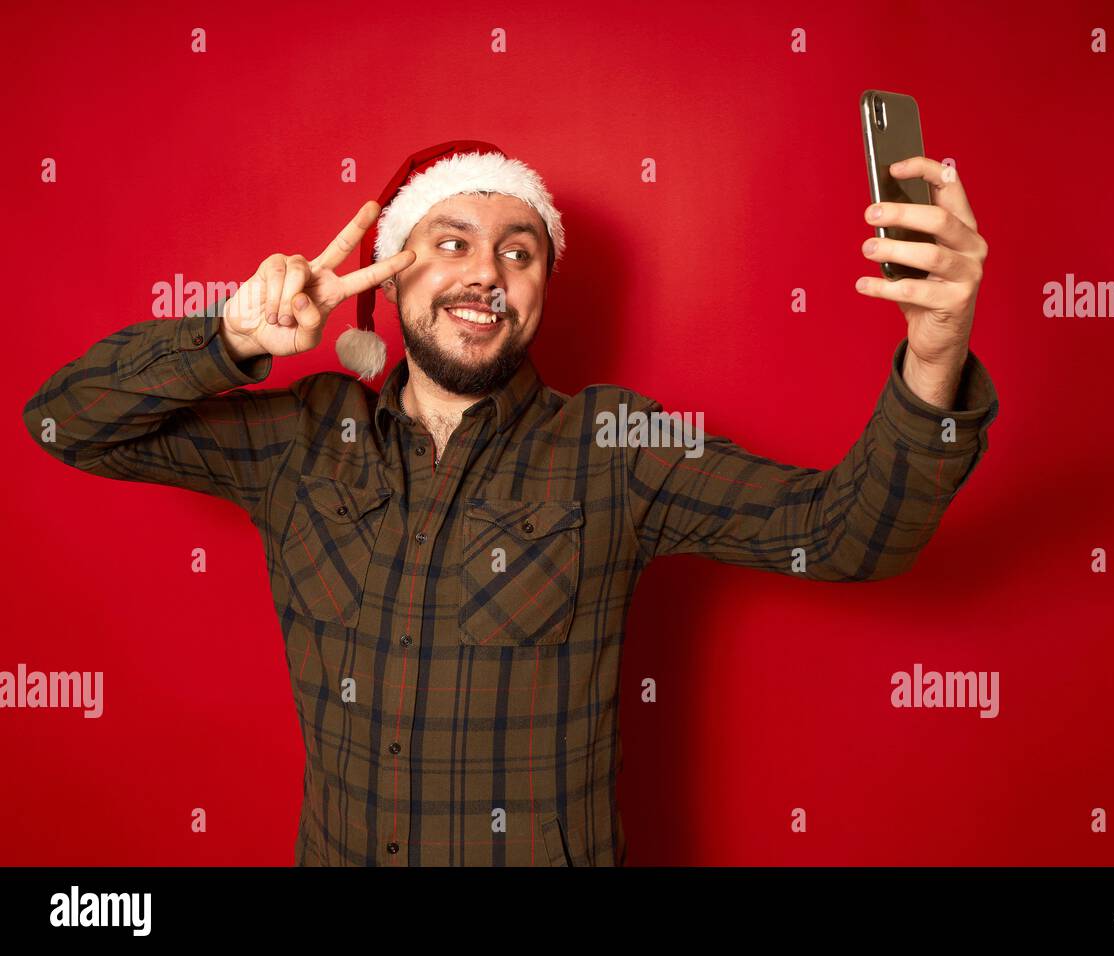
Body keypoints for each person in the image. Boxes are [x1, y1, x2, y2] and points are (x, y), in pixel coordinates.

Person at [22, 140, 999, 866]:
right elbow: (64, 422)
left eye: (520, 252)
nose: (487, 271)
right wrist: (228, 339)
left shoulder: (617, 445)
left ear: (539, 291)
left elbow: (843, 535)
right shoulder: (299, 438)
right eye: (451, 242)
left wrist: (934, 350)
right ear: (391, 277)